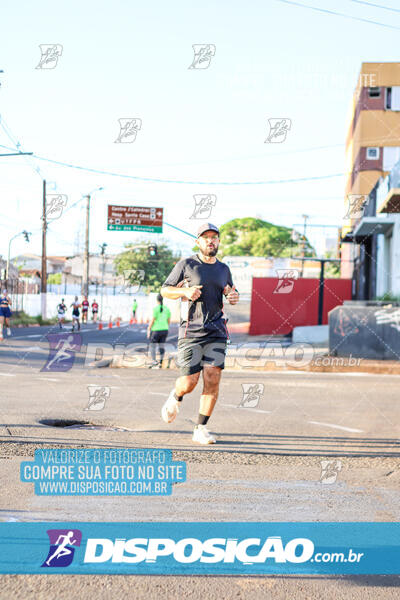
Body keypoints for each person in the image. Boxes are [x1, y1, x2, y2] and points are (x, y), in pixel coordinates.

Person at [160, 222, 239, 444]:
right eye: (206, 238)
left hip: (217, 331)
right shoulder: (186, 265)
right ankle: (175, 397)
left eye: (214, 237)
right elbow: (165, 289)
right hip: (191, 331)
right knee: (189, 382)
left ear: (219, 241)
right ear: (198, 242)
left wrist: (233, 296)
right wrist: (185, 290)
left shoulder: (224, 269)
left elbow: (231, 291)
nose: (211, 241)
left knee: (212, 378)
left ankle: (201, 428)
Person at [147, 293, 171, 368]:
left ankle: (154, 361)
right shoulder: (167, 309)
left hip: (156, 330)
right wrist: (165, 326)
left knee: (152, 346)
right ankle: (161, 361)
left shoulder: (156, 309)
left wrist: (149, 328)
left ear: (157, 300)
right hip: (165, 329)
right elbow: (168, 320)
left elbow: (153, 320)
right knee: (161, 346)